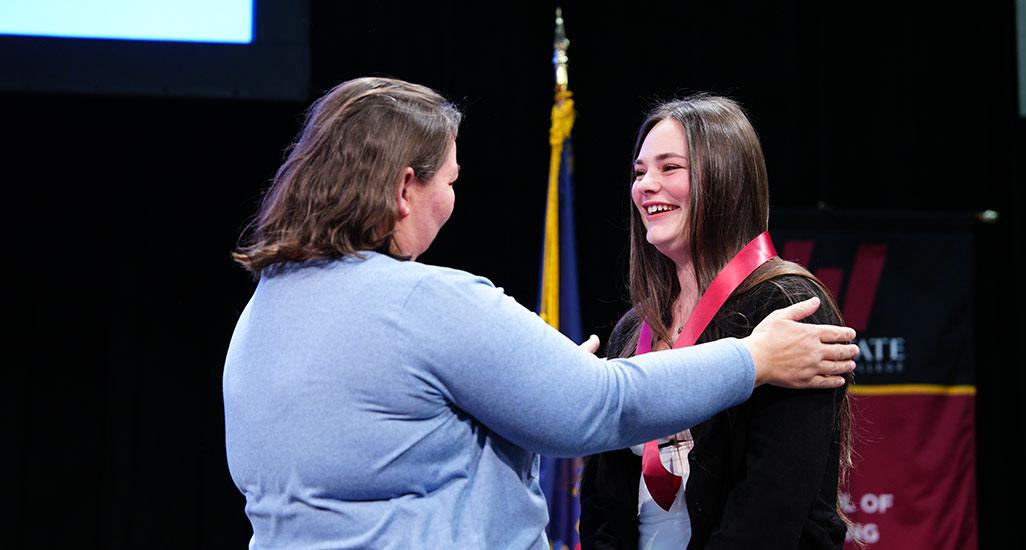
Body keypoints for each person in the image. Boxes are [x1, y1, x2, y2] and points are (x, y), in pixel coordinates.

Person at [222, 77, 858, 549]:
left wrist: (529, 391)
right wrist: (754, 358)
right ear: (402, 188)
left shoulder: (260, 315)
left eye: (671, 168)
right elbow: (598, 407)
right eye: (449, 180)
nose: (450, 201)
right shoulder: (424, 301)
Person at [579, 95, 852, 549]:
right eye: (640, 171)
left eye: (669, 168)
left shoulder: (788, 306)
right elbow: (603, 507)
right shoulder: (633, 329)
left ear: (724, 178)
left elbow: (769, 511)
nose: (646, 185)